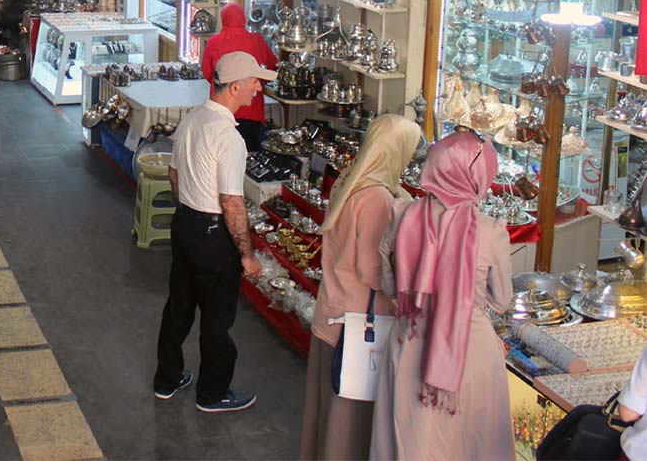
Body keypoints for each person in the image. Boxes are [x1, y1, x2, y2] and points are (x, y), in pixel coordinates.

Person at [369, 128, 514, 459]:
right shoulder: (491, 232)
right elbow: (501, 301)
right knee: (468, 444)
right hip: (469, 349)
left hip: (410, 341)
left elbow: (391, 286)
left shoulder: (402, 214)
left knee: (410, 439)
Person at [154, 50, 276, 414]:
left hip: (186, 225)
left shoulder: (192, 120)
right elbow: (232, 202)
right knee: (217, 319)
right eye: (255, 82)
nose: (259, 88)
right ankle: (212, 393)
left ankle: (168, 378)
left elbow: (174, 176)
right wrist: (246, 254)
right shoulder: (229, 138)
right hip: (212, 235)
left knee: (178, 307)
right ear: (236, 86)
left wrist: (188, 213)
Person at [299, 115, 420, 461]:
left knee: (324, 409)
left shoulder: (351, 183)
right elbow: (372, 271)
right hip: (357, 325)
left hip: (332, 313)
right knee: (348, 421)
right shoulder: (378, 200)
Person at [199, 1, 278, 151]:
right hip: (251, 107)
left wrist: (223, 86)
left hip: (222, 105)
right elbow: (273, 64)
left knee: (219, 151)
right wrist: (257, 82)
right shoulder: (256, 40)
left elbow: (208, 73)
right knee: (249, 154)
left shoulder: (213, 42)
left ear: (224, 18)